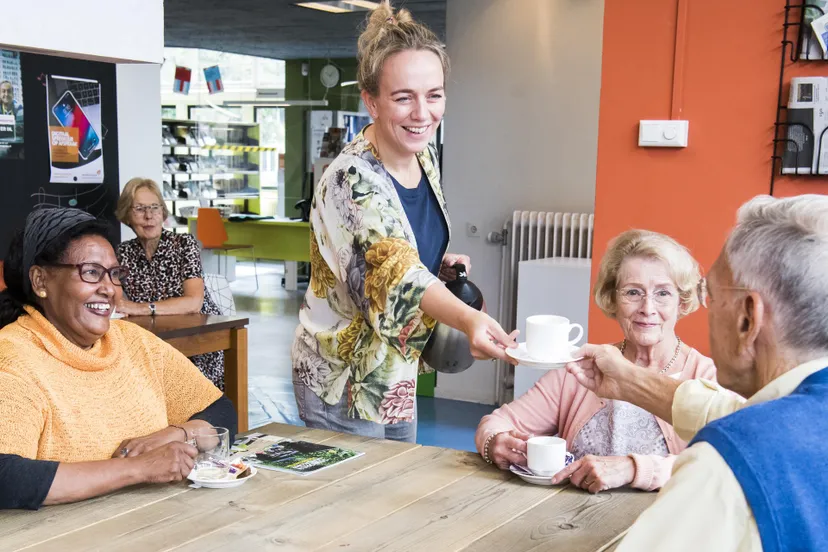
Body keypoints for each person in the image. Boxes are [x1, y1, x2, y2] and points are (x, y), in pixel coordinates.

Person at [292, 1, 517, 443]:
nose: (422, 113)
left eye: (433, 95)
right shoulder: (350, 178)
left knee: (396, 497)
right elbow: (394, 274)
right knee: (358, 507)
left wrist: (434, 260)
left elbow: (399, 245)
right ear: (371, 101)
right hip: (344, 378)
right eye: (403, 97)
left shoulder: (422, 155)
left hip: (396, 371)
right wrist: (470, 321)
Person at [567, 194, 828, 551]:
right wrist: (628, 380)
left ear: (747, 318)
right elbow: (744, 415)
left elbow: (748, 428)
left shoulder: (723, 466)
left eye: (712, 296)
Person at [0, 207, 237, 510]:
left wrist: (177, 434)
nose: (109, 289)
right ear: (41, 281)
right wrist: (140, 468)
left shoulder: (131, 340)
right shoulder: (14, 357)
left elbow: (219, 412)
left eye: (114, 274)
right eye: (91, 272)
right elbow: (5, 475)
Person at [477, 230, 715, 492]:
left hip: (663, 526)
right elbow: (496, 423)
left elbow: (719, 466)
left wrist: (634, 468)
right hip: (572, 522)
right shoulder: (583, 368)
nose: (647, 308)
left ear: (682, 301)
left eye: (662, 294)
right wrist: (495, 443)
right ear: (612, 299)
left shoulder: (706, 377)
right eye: (633, 292)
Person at [115, 178, 225, 389]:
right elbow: (118, 302)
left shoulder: (184, 244)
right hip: (152, 339)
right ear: (127, 215)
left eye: (154, 208)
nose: (149, 216)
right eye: (139, 209)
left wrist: (143, 308)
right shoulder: (123, 252)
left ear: (163, 212)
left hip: (197, 340)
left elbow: (194, 302)